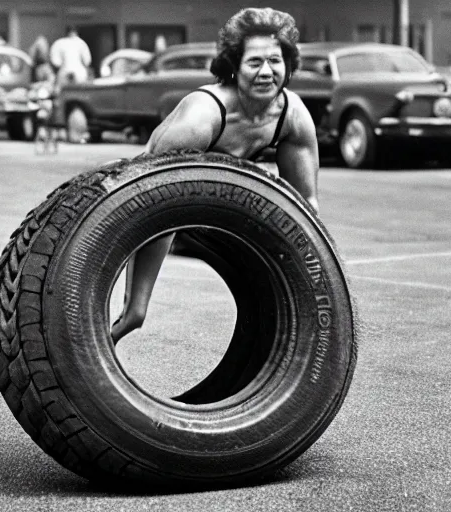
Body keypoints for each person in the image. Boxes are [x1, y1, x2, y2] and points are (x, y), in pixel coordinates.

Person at [111, 7, 319, 344]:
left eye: (275, 61)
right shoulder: (202, 117)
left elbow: (305, 205)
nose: (266, 72)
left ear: (289, 65)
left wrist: (312, 288)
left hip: (215, 213)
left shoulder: (292, 115)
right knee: (135, 315)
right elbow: (153, 201)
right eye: (255, 63)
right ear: (234, 66)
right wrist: (135, 304)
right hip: (156, 201)